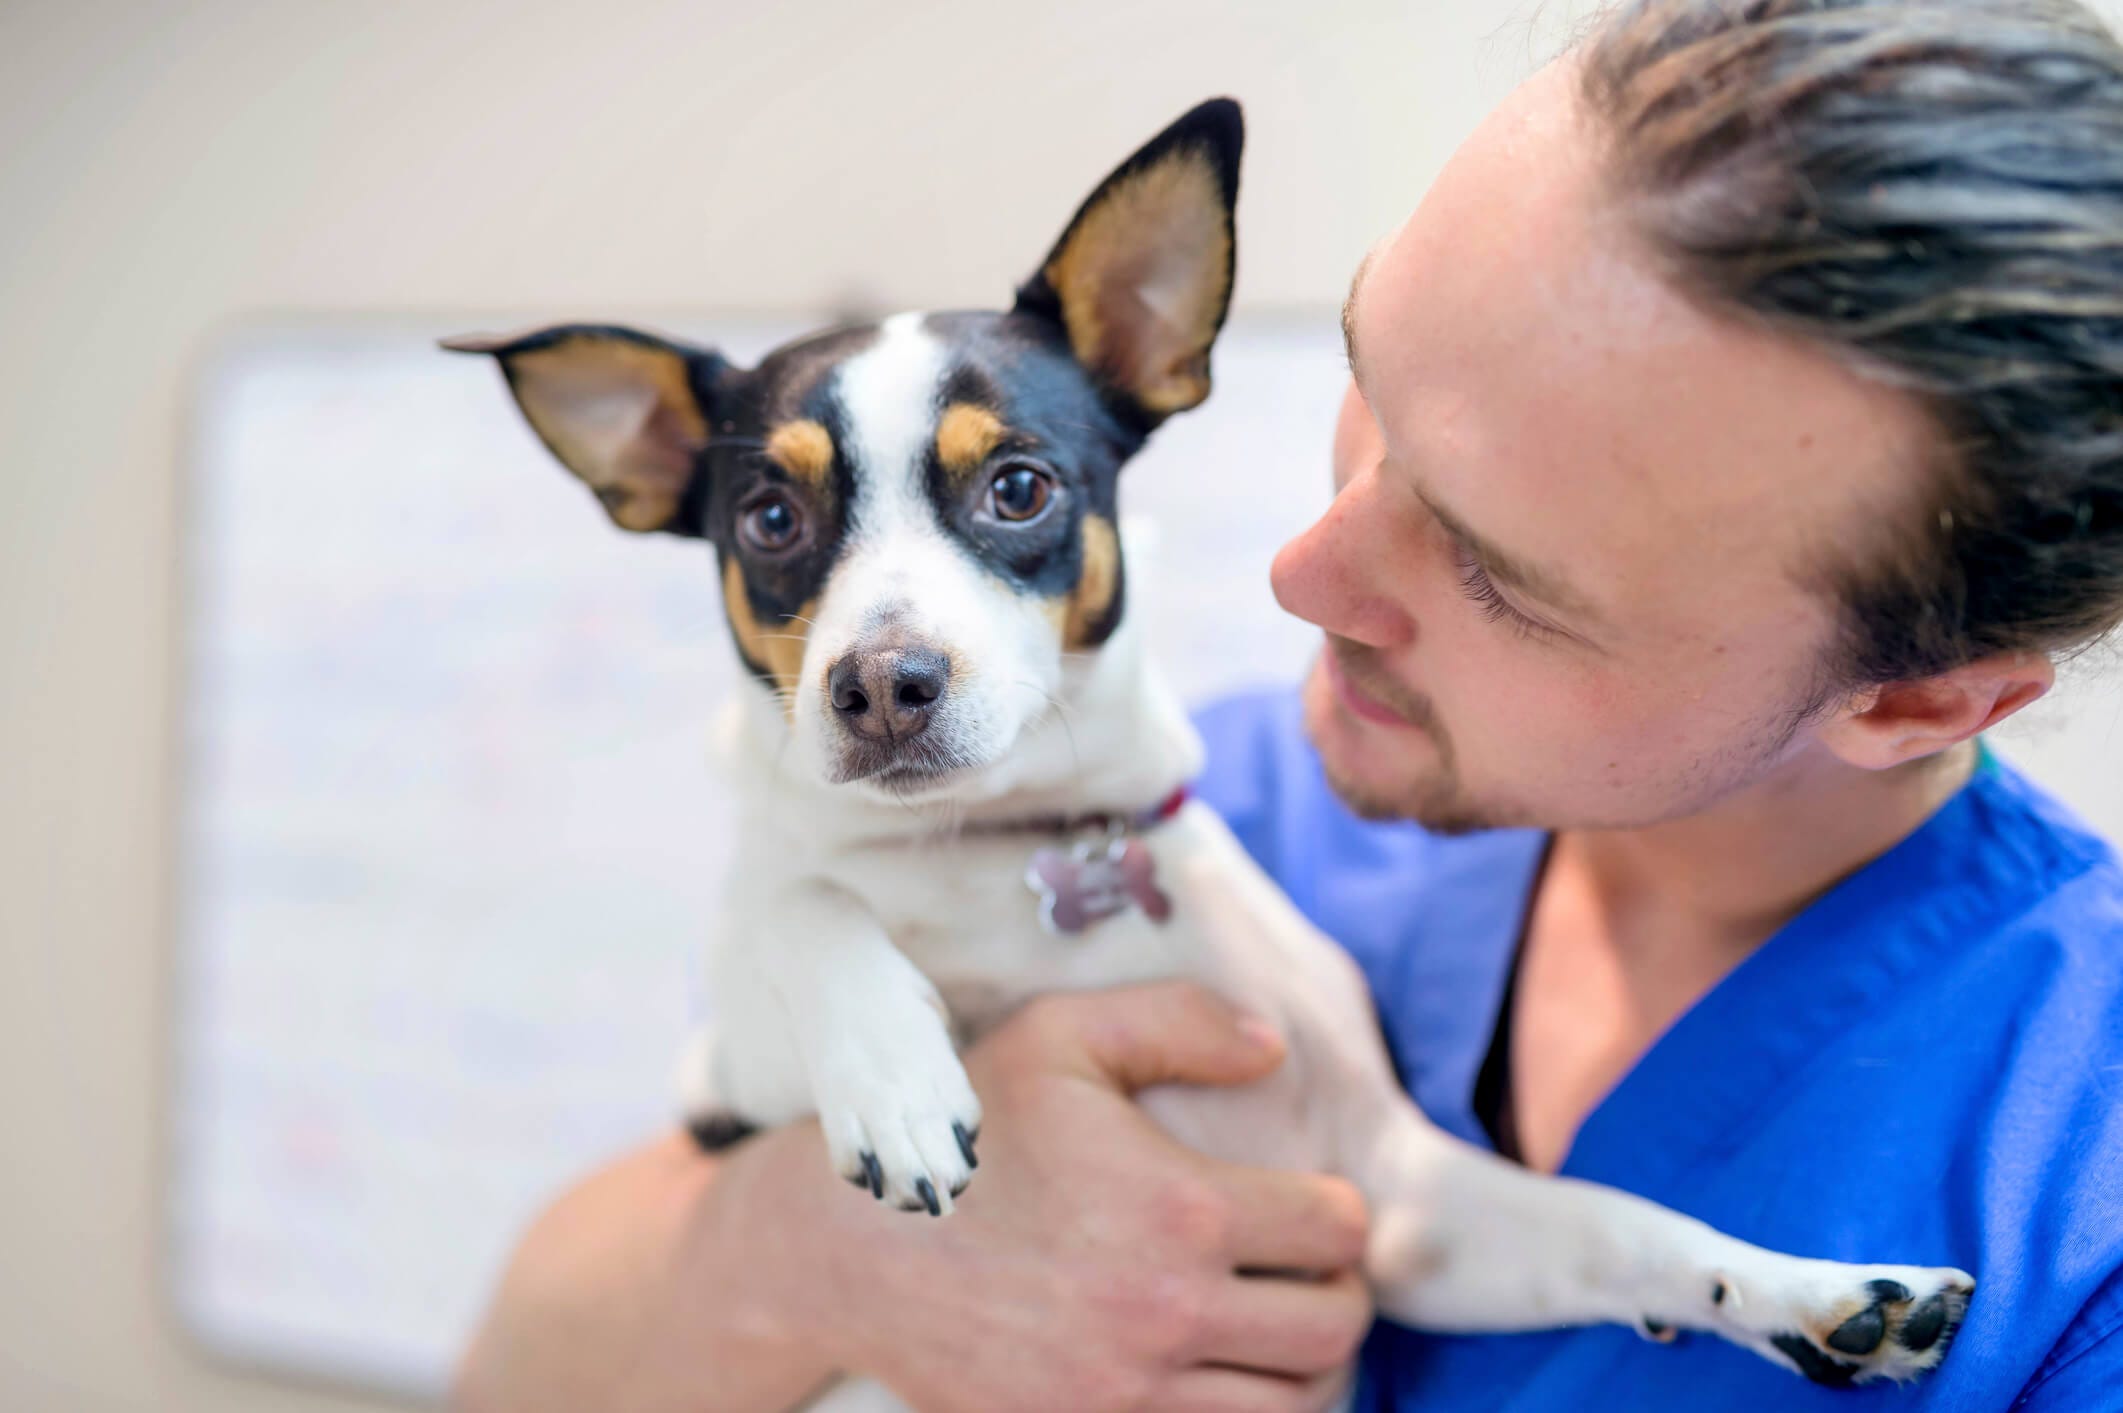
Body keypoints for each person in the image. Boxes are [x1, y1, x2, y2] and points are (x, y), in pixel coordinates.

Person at [452, 1, 2123, 1408]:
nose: (1300, 573)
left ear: (1913, 699)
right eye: (1367, 384)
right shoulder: (1154, 802)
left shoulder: (2077, 1196)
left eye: (1499, 570)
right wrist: (837, 1261)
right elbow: (515, 1363)